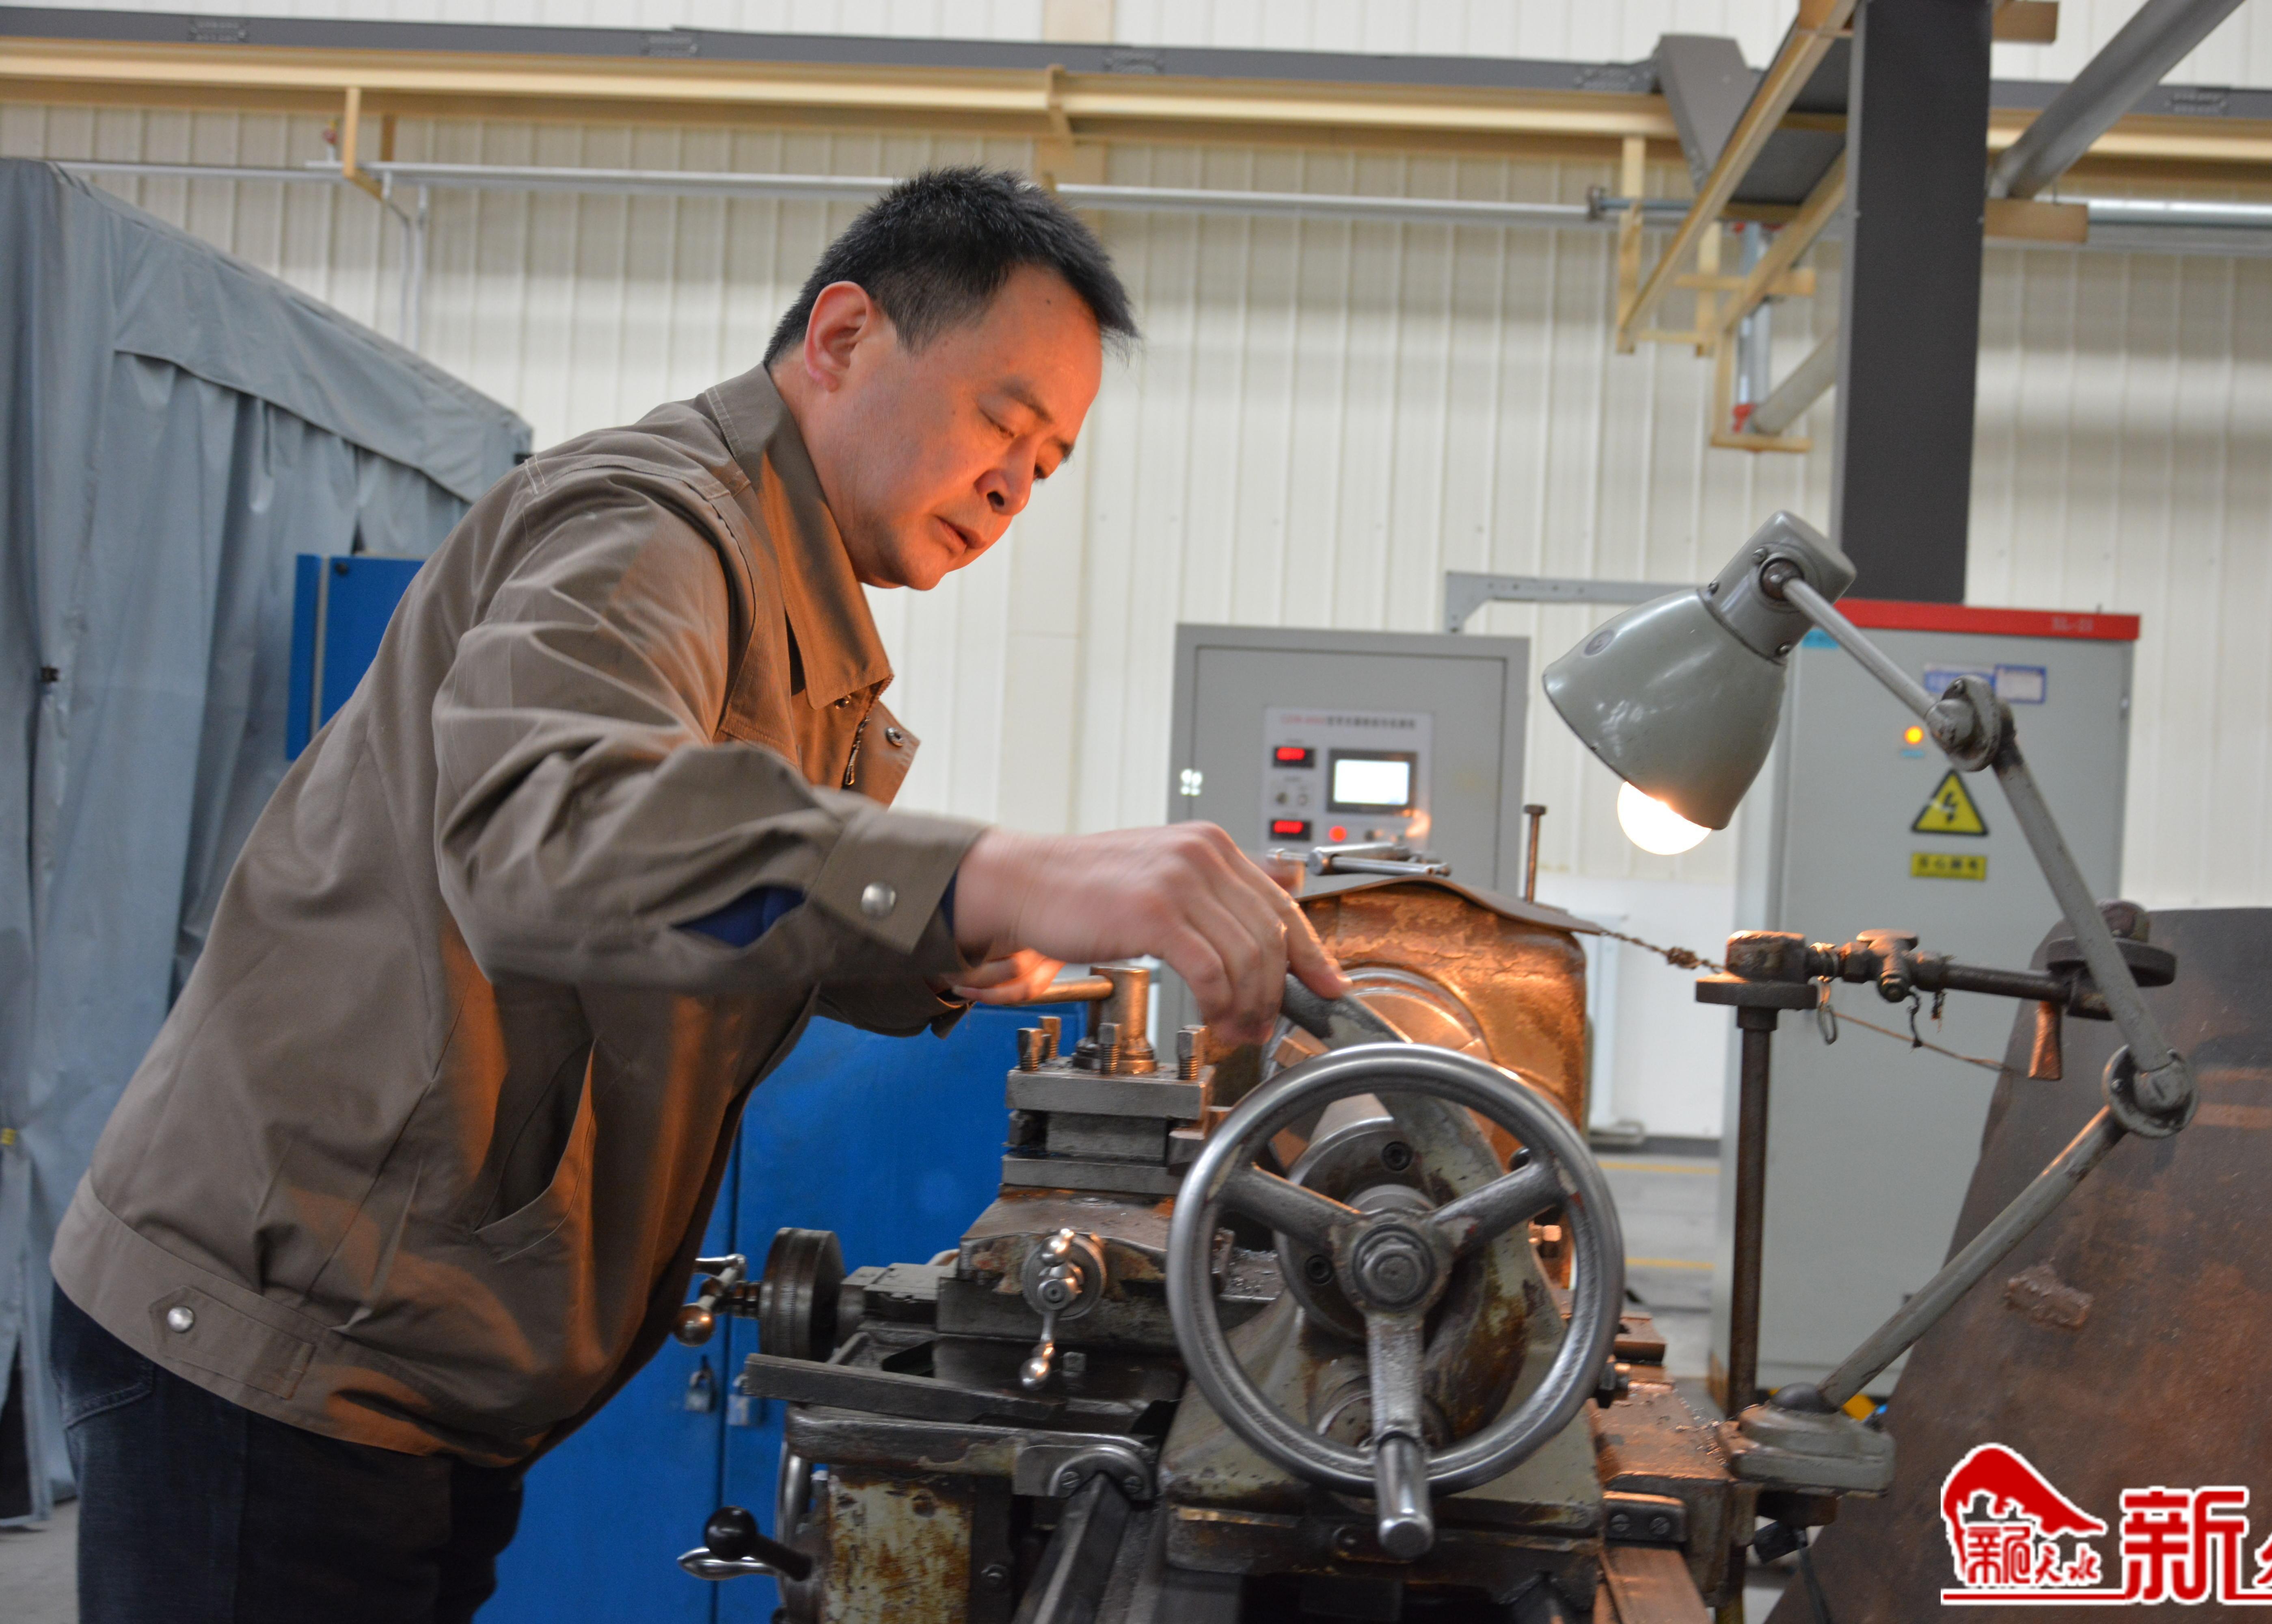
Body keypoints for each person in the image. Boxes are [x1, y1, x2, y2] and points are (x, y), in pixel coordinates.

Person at [49, 166, 1344, 1624]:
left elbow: (703, 907)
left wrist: (963, 939)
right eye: (1003, 422)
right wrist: (996, 869)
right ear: (843, 337)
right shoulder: (651, 524)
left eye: (1046, 467)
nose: (1013, 487)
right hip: (281, 1351)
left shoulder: (797, 611)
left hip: (410, 1359)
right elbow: (550, 842)